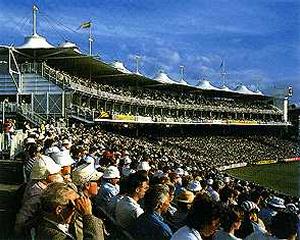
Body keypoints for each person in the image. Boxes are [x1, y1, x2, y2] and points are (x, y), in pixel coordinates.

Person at [14, 155, 64, 237]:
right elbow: (24, 214)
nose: (58, 173)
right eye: (54, 173)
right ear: (45, 176)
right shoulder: (38, 192)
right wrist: (18, 231)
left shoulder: (37, 182)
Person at [36, 182, 105, 240]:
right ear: (59, 210)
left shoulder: (51, 221)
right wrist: (88, 215)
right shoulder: (52, 235)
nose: (77, 209)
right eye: (74, 205)